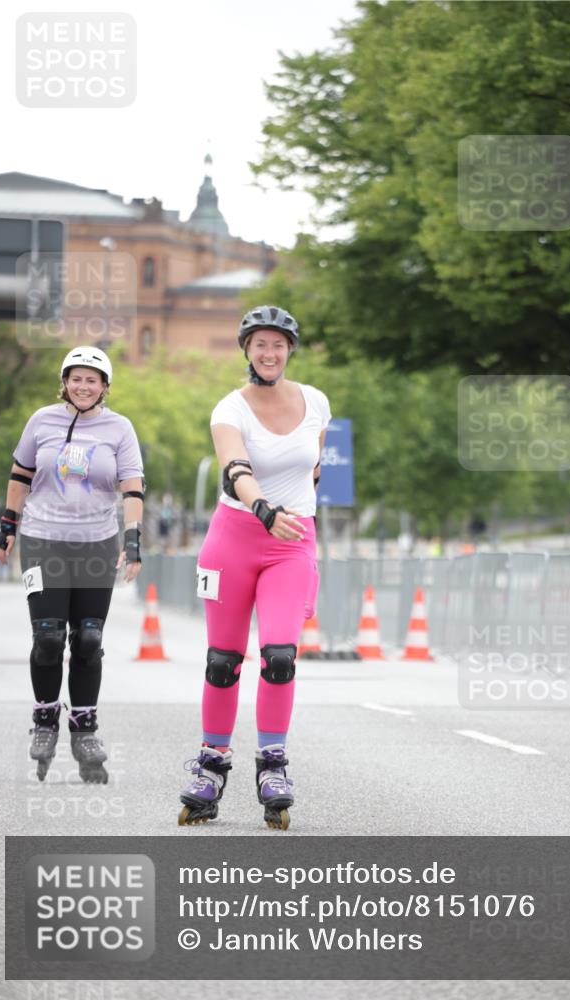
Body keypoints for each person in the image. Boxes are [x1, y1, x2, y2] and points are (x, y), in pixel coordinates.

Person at [179, 305, 330, 830]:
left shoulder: (316, 403)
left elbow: (312, 471)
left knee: (281, 656)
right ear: (246, 350)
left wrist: (295, 521)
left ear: (290, 349)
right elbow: (234, 466)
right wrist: (264, 508)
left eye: (278, 344)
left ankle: (273, 765)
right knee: (223, 661)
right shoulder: (230, 408)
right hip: (235, 538)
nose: (269, 353)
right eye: (259, 344)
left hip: (291, 542)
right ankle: (211, 762)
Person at [0, 346, 144, 784]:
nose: (83, 386)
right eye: (76, 378)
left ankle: (85, 729)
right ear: (65, 382)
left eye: (92, 380)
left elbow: (131, 487)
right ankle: (44, 721)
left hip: (96, 544)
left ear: (104, 387)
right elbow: (20, 474)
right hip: (43, 540)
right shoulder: (42, 420)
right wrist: (8, 525)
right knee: (48, 637)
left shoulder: (120, 428)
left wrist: (132, 539)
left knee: (89, 639)